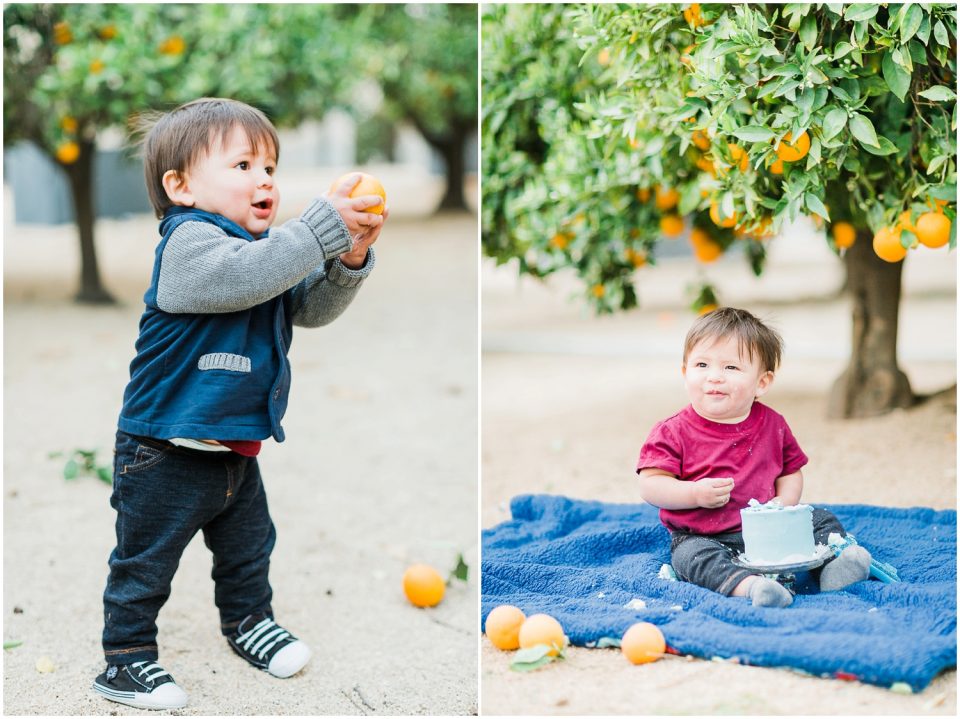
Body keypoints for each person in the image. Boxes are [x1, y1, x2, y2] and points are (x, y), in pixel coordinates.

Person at [92, 97, 387, 710]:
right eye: (244, 165)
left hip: (233, 449)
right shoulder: (189, 245)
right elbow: (242, 277)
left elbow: (310, 309)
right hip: (162, 450)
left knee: (250, 549)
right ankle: (125, 660)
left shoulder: (264, 255)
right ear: (181, 187)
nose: (264, 181)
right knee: (145, 564)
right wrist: (318, 230)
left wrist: (349, 256)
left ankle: (249, 623)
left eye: (271, 169)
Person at [636, 307, 872, 608]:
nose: (714, 377)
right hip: (705, 535)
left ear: (761, 382)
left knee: (820, 519)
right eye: (702, 364)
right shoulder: (673, 431)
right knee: (690, 558)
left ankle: (833, 569)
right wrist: (693, 492)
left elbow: (790, 471)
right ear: (685, 373)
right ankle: (752, 588)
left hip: (770, 529)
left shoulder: (773, 424)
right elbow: (650, 484)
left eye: (731, 368)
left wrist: (783, 504)